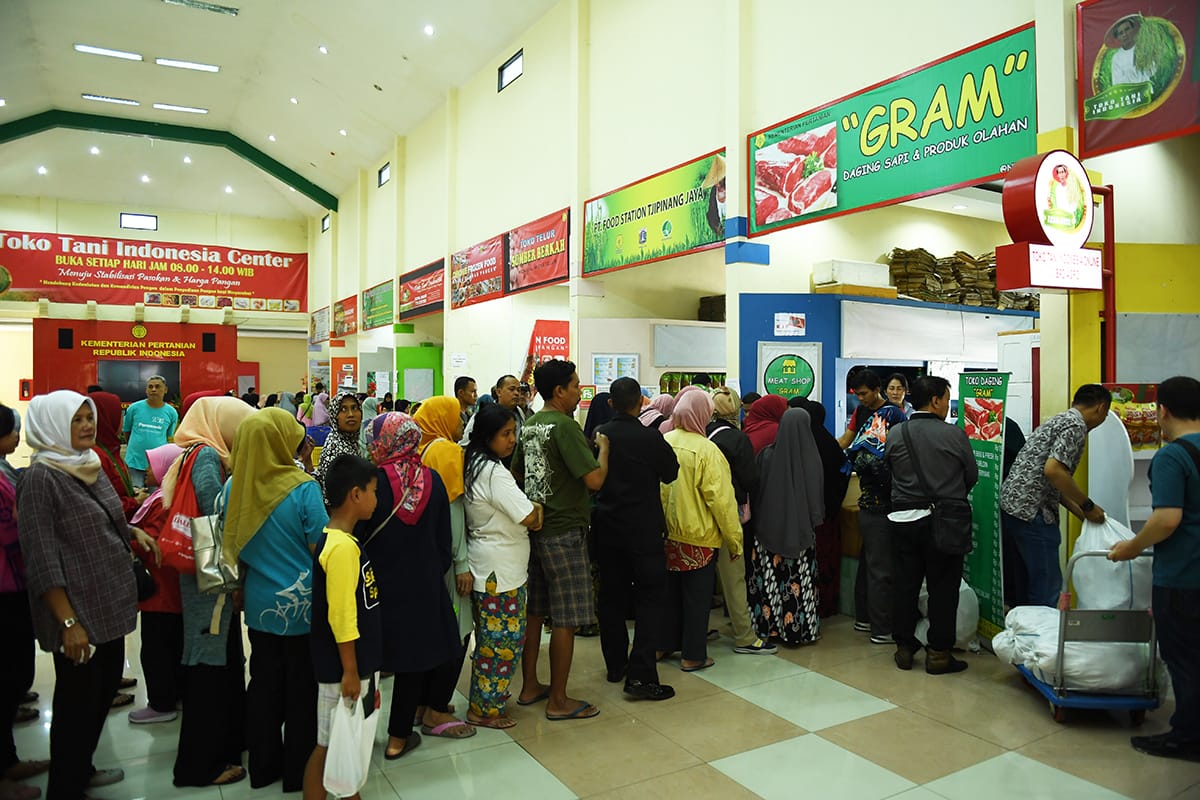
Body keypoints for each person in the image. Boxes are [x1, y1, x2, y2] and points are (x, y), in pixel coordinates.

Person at [17, 390, 160, 799]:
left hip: (108, 602)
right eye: (76, 419)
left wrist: (131, 532)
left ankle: (81, 768)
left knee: (99, 695)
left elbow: (100, 517)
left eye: (89, 417)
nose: (87, 426)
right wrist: (68, 622)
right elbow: (42, 557)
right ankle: (66, 786)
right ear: (52, 426)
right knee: (77, 705)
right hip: (78, 610)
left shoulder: (87, 463)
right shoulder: (41, 478)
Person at [225, 408, 328, 791]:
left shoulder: (234, 487)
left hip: (259, 602)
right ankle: (299, 771)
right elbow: (321, 547)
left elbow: (231, 541)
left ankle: (263, 767)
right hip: (303, 605)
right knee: (302, 688)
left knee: (264, 684)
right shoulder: (303, 488)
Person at [161, 396, 255, 787]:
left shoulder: (199, 451)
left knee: (223, 659)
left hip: (209, 570)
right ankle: (198, 765)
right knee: (207, 663)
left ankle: (228, 742)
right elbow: (215, 515)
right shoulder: (205, 455)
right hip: (210, 574)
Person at [359, 412, 462, 759]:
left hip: (376, 586)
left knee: (367, 660)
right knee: (411, 659)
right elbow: (444, 541)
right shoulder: (432, 480)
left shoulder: (371, 480)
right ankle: (398, 738)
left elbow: (356, 533)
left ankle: (358, 737)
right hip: (423, 583)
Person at [1110, 376, 1200, 761]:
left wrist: (1130, 548)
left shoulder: (1172, 457)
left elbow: (1166, 519)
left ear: (1162, 410)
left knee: (1186, 660)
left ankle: (1188, 738)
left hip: (1183, 577)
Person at [512, 359, 608, 720]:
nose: (579, 392)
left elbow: (518, 473)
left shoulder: (529, 425)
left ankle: (529, 686)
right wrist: (604, 450)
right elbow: (594, 480)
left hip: (536, 529)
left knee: (535, 613)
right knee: (566, 618)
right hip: (565, 531)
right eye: (576, 385)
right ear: (559, 391)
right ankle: (558, 701)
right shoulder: (565, 427)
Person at [593, 378, 680, 698]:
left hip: (607, 528)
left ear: (611, 403)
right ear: (641, 402)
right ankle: (641, 674)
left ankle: (616, 665)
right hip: (644, 529)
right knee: (650, 598)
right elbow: (671, 472)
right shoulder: (650, 438)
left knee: (611, 596)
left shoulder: (599, 434)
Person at [885, 376, 978, 674]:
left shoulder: (896, 433)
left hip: (903, 520)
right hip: (944, 522)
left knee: (905, 585)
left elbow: (889, 468)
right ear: (936, 400)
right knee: (943, 588)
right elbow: (971, 475)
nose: (948, 405)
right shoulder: (954, 435)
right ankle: (938, 654)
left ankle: (903, 646)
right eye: (947, 399)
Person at [302, 454, 382, 800]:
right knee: (330, 745)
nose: (376, 499)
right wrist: (350, 670)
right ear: (356, 494)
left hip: (352, 663)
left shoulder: (338, 539)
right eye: (374, 491)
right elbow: (342, 615)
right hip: (342, 668)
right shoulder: (341, 549)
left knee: (341, 743)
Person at [461, 404, 544, 727]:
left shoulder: (474, 462)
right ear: (487, 437)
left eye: (513, 432)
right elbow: (530, 517)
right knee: (502, 643)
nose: (512, 440)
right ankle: (484, 710)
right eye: (505, 434)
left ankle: (488, 698)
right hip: (500, 570)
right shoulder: (493, 473)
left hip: (489, 562)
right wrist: (538, 508)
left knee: (491, 640)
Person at [1000, 384, 1110, 607]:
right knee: (1046, 587)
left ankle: (1025, 627)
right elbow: (1054, 471)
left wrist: (1081, 512)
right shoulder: (1076, 426)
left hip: (1013, 508)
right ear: (1100, 408)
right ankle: (1043, 629)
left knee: (1025, 583)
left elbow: (1051, 480)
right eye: (1106, 414)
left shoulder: (1057, 420)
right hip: (1033, 513)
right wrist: (1088, 505)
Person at [660, 389, 742, 671]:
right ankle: (693, 655)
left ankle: (663, 644)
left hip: (665, 534)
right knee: (696, 599)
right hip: (699, 537)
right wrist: (734, 540)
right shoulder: (707, 450)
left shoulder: (664, 441)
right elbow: (722, 501)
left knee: (668, 596)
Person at [412, 397, 475, 737]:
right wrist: (462, 562)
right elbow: (453, 511)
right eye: (457, 416)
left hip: (427, 558)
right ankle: (436, 709)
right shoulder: (446, 452)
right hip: (450, 561)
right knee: (458, 630)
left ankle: (423, 704)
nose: (462, 422)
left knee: (432, 630)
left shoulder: (420, 449)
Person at [839, 369, 907, 644]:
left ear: (877, 389)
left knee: (870, 562)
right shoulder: (882, 415)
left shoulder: (891, 414)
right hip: (881, 502)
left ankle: (865, 618)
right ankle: (879, 628)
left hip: (870, 501)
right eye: (857, 395)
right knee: (879, 567)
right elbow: (849, 441)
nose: (861, 399)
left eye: (864, 394)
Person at [0, 403, 48, 800]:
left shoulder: (5, 470)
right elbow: (11, 529)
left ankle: (7, 759)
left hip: (15, 584)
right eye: (13, 430)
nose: (18, 437)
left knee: (13, 672)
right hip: (4, 586)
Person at [706, 388, 775, 655]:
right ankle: (745, 636)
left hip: (698, 516)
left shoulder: (699, 433)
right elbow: (750, 479)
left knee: (700, 578)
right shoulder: (737, 438)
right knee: (734, 576)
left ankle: (696, 629)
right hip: (728, 513)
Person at [748, 406, 824, 645]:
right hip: (799, 533)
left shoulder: (765, 455)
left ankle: (768, 629)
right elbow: (816, 501)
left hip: (766, 531)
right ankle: (799, 631)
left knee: (768, 581)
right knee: (797, 581)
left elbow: (755, 492)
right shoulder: (812, 458)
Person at [127, 443, 185, 725]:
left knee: (156, 649)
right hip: (170, 589)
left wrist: (128, 540)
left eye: (152, 465)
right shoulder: (166, 497)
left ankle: (161, 703)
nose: (147, 470)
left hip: (160, 590)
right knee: (171, 646)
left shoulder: (164, 503)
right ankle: (174, 695)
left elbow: (153, 544)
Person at [796, 398, 851, 618]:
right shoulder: (830, 444)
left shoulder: (805, 444)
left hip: (808, 516)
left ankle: (810, 603)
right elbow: (842, 476)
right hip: (829, 513)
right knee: (827, 558)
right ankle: (827, 604)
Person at [122, 375, 179, 489]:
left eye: (157, 387)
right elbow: (126, 431)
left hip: (157, 466)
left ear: (165, 390)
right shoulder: (134, 408)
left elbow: (169, 438)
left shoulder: (171, 413)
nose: (153, 389)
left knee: (155, 497)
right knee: (135, 495)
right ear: (146, 390)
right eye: (150, 387)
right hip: (134, 462)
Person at [314, 392, 364, 499]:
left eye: (354, 408)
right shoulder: (336, 449)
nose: (351, 414)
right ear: (334, 416)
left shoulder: (350, 442)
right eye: (343, 409)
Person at [460, 374, 524, 448]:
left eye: (519, 390)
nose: (516, 393)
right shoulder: (484, 414)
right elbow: (464, 444)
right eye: (511, 389)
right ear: (499, 392)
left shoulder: (520, 413)